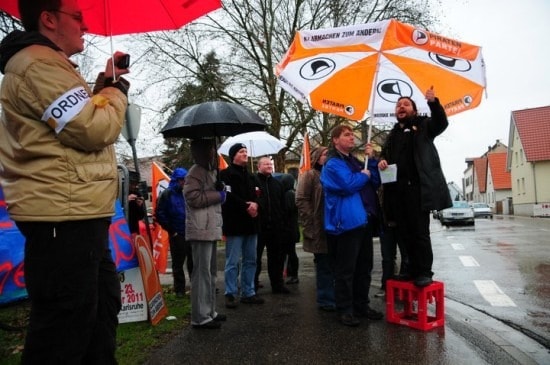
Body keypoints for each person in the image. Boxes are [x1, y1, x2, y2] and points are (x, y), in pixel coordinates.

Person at [0, 0, 130, 362]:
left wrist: (104, 83)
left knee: (99, 315)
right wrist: (116, 93)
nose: (85, 26)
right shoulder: (39, 65)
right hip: (63, 219)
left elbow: (76, 121)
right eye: (78, 17)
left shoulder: (50, 66)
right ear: (48, 18)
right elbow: (93, 128)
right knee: (64, 332)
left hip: (78, 215)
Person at [378, 86, 452, 288]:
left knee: (420, 233)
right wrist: (381, 160)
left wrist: (433, 103)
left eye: (406, 104)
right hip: (397, 192)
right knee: (403, 234)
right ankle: (409, 269)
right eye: (398, 105)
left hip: (417, 191)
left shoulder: (424, 126)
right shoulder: (392, 135)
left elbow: (441, 123)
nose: (401, 107)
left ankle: (424, 271)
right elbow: (384, 156)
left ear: (414, 110)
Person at [320, 124, 383, 327]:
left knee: (364, 266)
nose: (352, 138)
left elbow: (374, 181)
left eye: (352, 135)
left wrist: (371, 160)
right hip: (345, 222)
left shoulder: (354, 161)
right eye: (346, 135)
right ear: (335, 140)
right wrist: (363, 175)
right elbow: (348, 185)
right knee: (346, 269)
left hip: (363, 220)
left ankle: (361, 304)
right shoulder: (332, 164)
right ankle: (345, 309)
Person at [184, 139, 227, 329]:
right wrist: (217, 195)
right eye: (210, 148)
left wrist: (220, 188)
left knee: (210, 273)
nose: (213, 151)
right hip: (200, 228)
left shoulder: (209, 170)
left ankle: (210, 311)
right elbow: (192, 197)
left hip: (209, 227)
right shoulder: (195, 172)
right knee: (201, 274)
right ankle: (200, 317)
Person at [219, 143, 264, 308]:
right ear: (233, 156)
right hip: (235, 225)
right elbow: (227, 197)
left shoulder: (252, 177)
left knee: (251, 260)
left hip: (251, 224)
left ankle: (248, 291)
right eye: (241, 151)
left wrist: (256, 205)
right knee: (233, 261)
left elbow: (259, 194)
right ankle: (230, 293)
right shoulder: (225, 175)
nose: (245, 154)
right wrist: (247, 206)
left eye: (246, 151)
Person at [295, 146, 336, 311]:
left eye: (329, 154)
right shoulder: (310, 175)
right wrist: (311, 218)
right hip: (318, 225)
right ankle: (325, 299)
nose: (328, 157)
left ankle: (334, 296)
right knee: (324, 264)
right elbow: (301, 199)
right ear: (317, 157)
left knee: (334, 264)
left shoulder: (332, 173)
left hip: (334, 225)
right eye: (325, 154)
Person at [156, 167, 193, 298]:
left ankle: (196, 286)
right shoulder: (167, 194)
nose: (184, 182)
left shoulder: (189, 192)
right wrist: (172, 231)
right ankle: (179, 290)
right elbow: (160, 214)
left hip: (191, 232)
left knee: (193, 262)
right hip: (177, 233)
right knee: (178, 263)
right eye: (182, 180)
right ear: (177, 180)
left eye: (186, 180)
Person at [254, 156, 289, 294]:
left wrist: (283, 223)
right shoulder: (253, 181)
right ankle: (253, 284)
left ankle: (277, 284)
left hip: (276, 227)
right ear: (259, 166)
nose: (269, 166)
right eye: (266, 164)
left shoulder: (277, 184)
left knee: (276, 258)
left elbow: (282, 205)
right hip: (259, 227)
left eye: (270, 164)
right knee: (255, 258)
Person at [280, 173, 300, 285]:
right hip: (292, 228)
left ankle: (293, 274)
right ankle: (291, 273)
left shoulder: (288, 195)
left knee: (290, 252)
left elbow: (286, 211)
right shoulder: (292, 193)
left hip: (288, 229)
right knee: (290, 252)